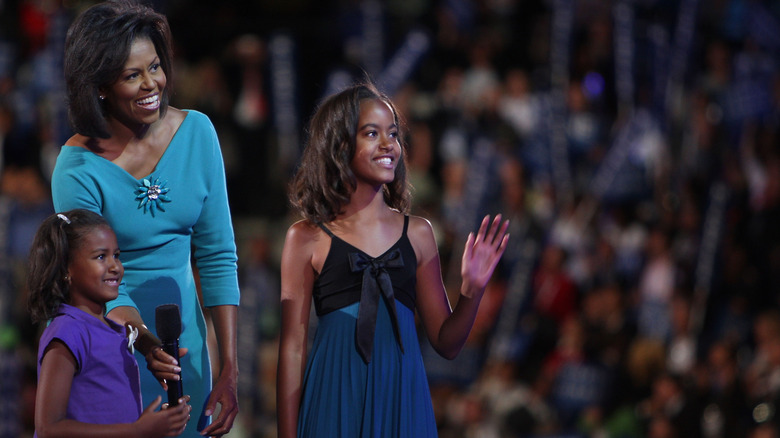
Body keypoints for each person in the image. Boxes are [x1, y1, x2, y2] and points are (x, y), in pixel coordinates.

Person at [276, 82, 510, 437]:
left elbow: (447, 343)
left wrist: (471, 289)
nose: (389, 145)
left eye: (394, 134)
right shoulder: (306, 238)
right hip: (333, 402)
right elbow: (293, 348)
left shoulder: (418, 234)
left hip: (403, 402)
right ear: (341, 146)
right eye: (372, 133)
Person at [50, 1, 240, 436]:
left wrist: (230, 367)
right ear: (99, 86)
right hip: (111, 345)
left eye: (154, 67)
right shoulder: (77, 169)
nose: (151, 84)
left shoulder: (198, 133)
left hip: (185, 346)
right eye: (132, 75)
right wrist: (146, 342)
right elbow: (92, 281)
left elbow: (217, 255)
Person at [28, 208, 192, 437]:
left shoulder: (114, 330)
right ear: (67, 268)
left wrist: (154, 428)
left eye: (117, 255)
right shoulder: (68, 330)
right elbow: (48, 428)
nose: (115, 266)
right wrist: (136, 431)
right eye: (100, 257)